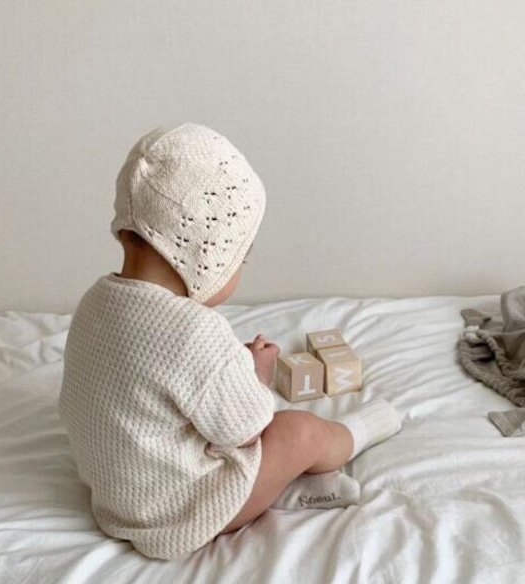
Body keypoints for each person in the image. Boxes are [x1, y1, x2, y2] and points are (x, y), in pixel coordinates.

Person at [58, 123, 402, 560]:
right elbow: (247, 429)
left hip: (118, 501)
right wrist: (256, 376)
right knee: (297, 432)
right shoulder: (194, 330)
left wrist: (226, 371)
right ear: (208, 253)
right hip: (183, 513)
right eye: (242, 256)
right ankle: (360, 432)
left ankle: (289, 492)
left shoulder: (94, 301)